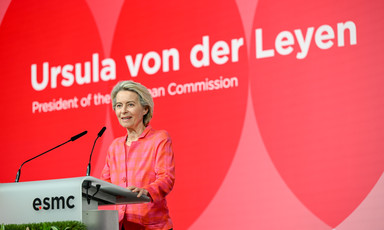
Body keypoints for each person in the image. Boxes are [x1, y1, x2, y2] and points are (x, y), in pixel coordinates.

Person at [100, 80, 175, 230]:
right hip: (122, 226)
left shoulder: (159, 139)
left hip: (153, 227)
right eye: (119, 106)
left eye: (130, 105)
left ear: (145, 109)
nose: (123, 111)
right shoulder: (115, 146)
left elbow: (166, 178)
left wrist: (147, 190)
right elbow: (105, 183)